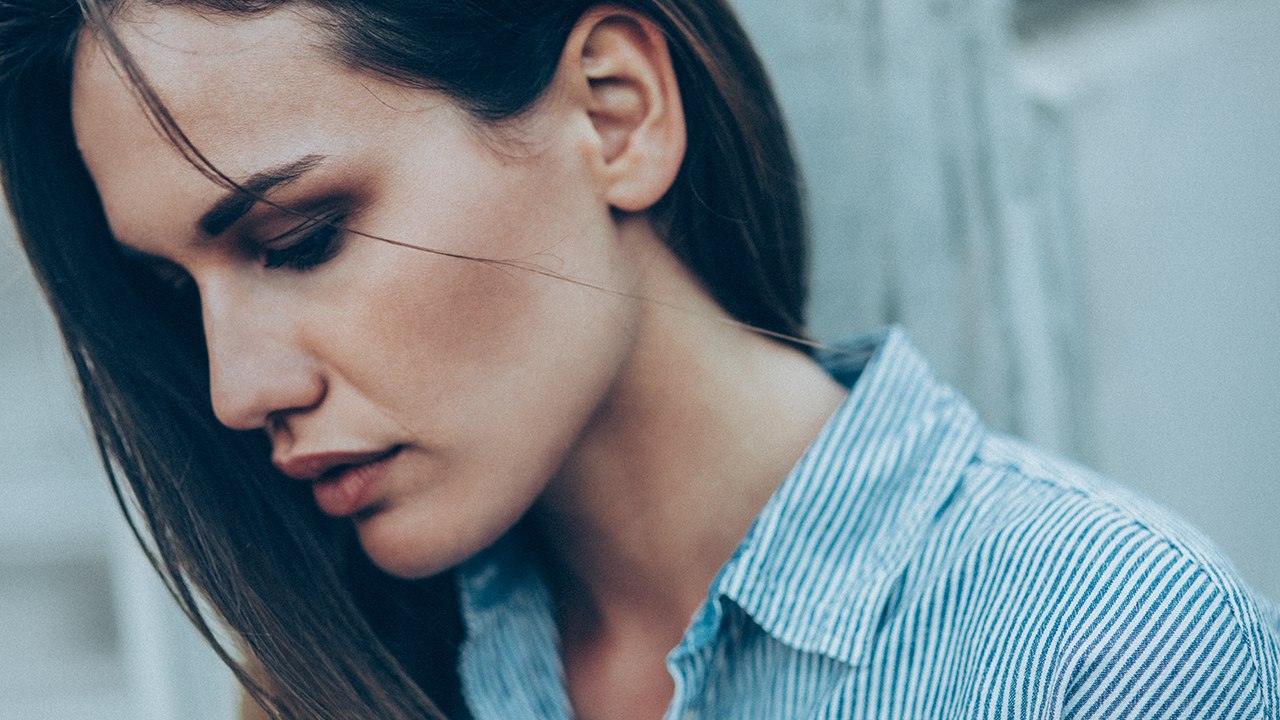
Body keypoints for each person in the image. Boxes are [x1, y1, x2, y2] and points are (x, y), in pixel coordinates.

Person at [1, 0, 1277, 718]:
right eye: (177, 291)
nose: (236, 390)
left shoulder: (1104, 649)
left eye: (301, 238)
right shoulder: (335, 681)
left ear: (613, 113)